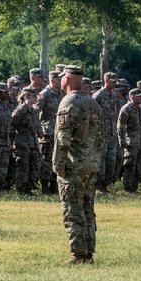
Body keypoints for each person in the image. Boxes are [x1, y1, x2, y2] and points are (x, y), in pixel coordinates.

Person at [53, 65, 103, 264]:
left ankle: (79, 254)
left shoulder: (68, 102)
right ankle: (88, 251)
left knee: (73, 210)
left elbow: (62, 138)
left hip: (74, 165)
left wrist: (58, 164)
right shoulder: (93, 103)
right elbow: (101, 136)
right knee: (87, 208)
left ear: (66, 79)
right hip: (91, 164)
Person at [92, 72, 119, 192]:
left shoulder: (113, 95)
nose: (115, 83)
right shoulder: (98, 96)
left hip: (112, 134)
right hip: (101, 134)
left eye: (115, 80)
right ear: (106, 80)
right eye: (112, 80)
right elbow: (92, 115)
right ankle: (99, 185)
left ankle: (106, 184)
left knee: (111, 160)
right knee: (101, 160)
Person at [38, 71, 64, 195]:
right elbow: (36, 113)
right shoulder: (44, 94)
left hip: (59, 132)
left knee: (57, 158)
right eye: (59, 79)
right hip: (47, 132)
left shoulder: (61, 93)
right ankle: (44, 185)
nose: (61, 81)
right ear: (52, 80)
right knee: (46, 159)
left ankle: (54, 184)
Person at [117, 88, 141, 193]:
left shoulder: (140, 108)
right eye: (139, 96)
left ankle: (135, 187)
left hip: (140, 143)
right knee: (129, 165)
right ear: (132, 97)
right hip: (131, 142)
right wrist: (122, 140)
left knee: (140, 167)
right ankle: (128, 187)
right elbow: (121, 126)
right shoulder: (126, 109)